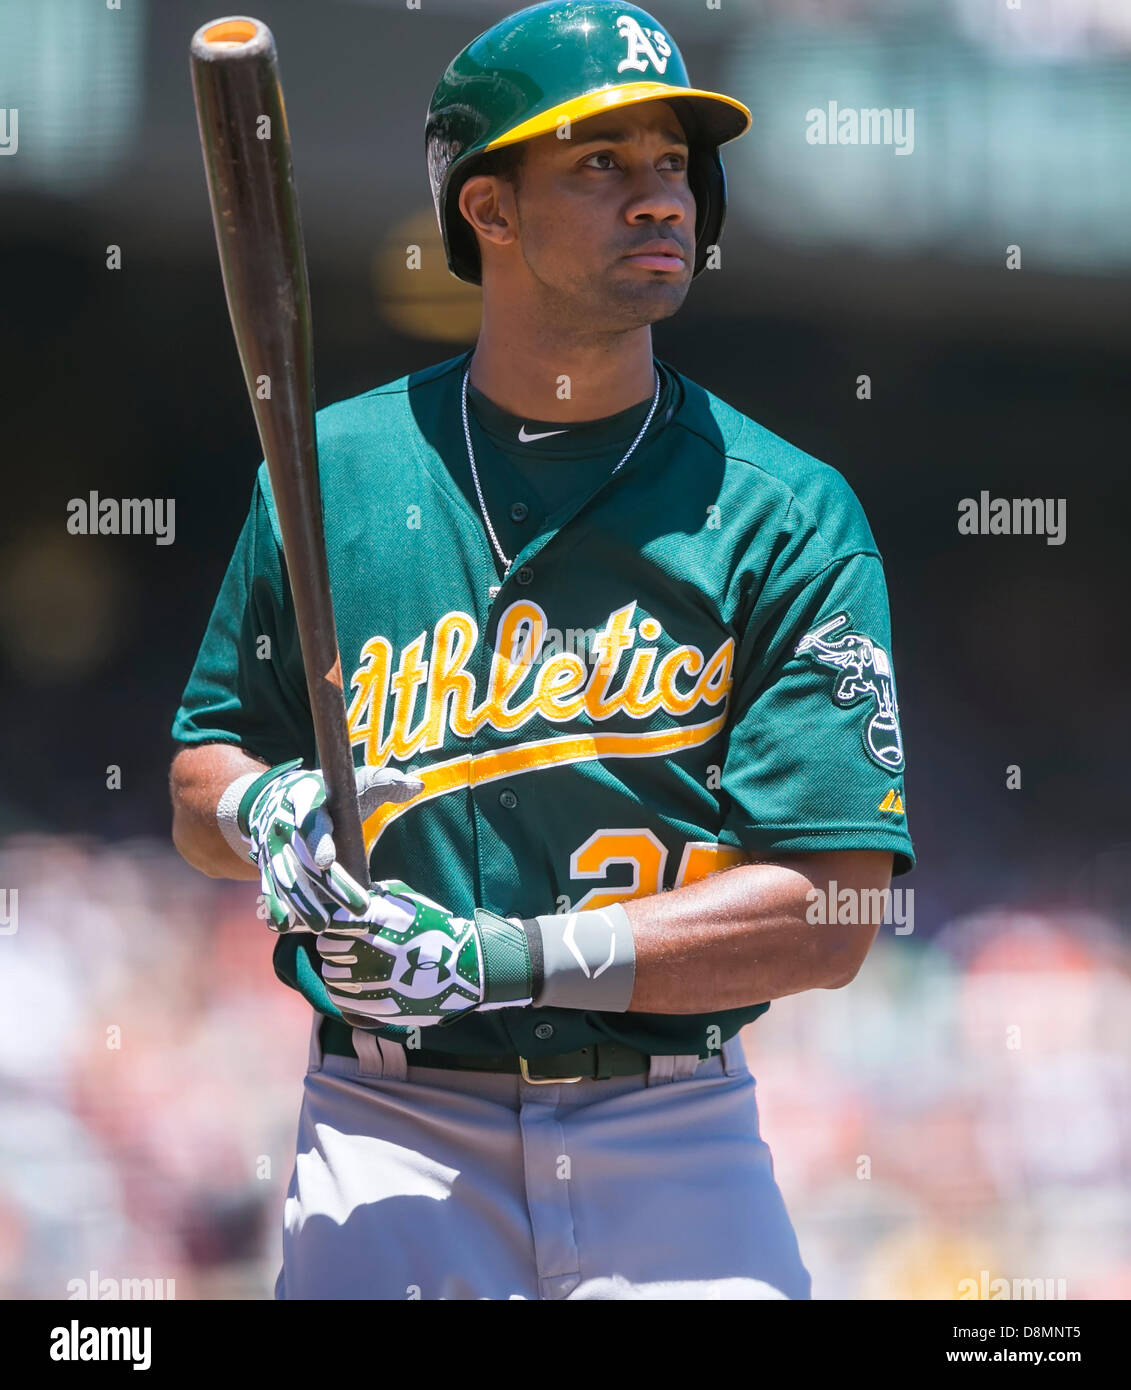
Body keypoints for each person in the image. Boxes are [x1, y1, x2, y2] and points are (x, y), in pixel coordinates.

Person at [170, 0, 914, 1300]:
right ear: (488, 208)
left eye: (674, 163)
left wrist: (498, 957)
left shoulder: (785, 508)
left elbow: (832, 910)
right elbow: (196, 776)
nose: (657, 198)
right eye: (601, 165)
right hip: (384, 1125)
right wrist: (263, 805)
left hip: (673, 1135)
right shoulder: (337, 471)